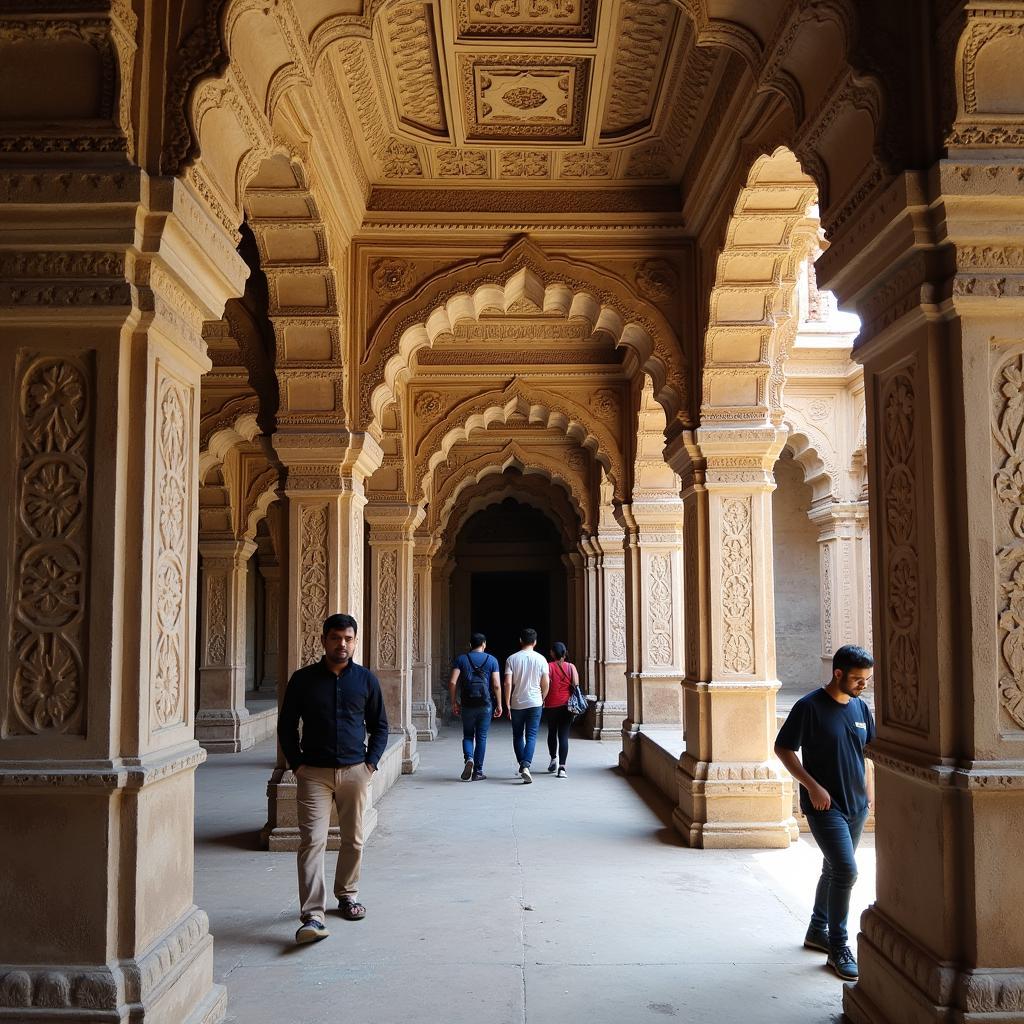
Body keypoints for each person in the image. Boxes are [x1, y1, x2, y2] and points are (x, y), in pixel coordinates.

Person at [277, 613, 388, 945]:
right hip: (313, 773)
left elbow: (380, 725)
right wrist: (297, 765)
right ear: (323, 640)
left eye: (348, 638)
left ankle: (347, 894)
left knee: (353, 839)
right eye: (336, 637)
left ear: (355, 641)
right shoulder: (303, 680)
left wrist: (370, 764)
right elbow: (286, 726)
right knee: (312, 841)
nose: (342, 644)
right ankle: (312, 913)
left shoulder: (366, 680)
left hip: (355, 771)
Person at [774, 644, 876, 981]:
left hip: (856, 806)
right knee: (846, 871)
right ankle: (838, 944)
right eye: (858, 679)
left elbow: (868, 754)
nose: (863, 685)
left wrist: (869, 793)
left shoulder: (861, 708)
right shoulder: (809, 707)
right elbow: (783, 747)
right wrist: (811, 786)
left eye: (866, 679)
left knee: (833, 868)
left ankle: (817, 929)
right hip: (824, 806)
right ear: (838, 674)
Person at [448, 632, 502, 781]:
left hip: (467, 703)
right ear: (484, 644)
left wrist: (453, 702)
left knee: (467, 735)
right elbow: (496, 685)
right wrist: (499, 704)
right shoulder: (492, 660)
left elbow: (453, 682)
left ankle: (469, 759)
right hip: (485, 704)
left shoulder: (461, 659)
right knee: (481, 737)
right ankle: (478, 771)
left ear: (470, 645)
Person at [503, 627, 550, 783]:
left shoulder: (512, 659)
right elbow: (546, 683)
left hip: (517, 702)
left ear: (520, 641)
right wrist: (542, 698)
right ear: (535, 642)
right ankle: (526, 765)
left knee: (517, 735)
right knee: (531, 736)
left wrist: (507, 702)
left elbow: (507, 683)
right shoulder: (541, 659)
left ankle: (523, 765)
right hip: (535, 702)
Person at [544, 641, 578, 778]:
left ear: (552, 653)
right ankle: (562, 768)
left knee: (552, 732)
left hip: (551, 704)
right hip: (567, 706)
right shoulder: (571, 667)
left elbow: (544, 684)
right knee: (563, 735)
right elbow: (576, 685)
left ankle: (553, 759)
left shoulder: (548, 667)